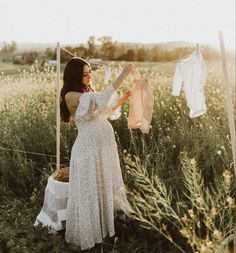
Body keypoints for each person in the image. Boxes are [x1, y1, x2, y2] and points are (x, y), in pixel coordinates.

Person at [60, 57, 133, 251]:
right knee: (89, 193)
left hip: (100, 150)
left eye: (90, 71)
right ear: (75, 76)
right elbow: (101, 99)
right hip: (87, 151)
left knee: (100, 189)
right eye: (85, 74)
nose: (89, 76)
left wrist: (124, 98)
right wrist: (123, 75)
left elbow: (103, 113)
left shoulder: (87, 93)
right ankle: (87, 238)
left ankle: (103, 233)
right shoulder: (71, 95)